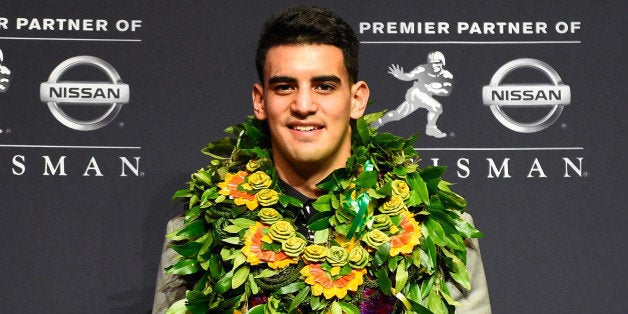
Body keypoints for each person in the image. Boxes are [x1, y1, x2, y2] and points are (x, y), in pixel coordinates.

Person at [153, 6, 490, 313]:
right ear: (260, 101)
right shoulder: (195, 235)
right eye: (284, 86)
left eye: (324, 86)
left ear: (357, 100)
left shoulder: (436, 229)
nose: (303, 105)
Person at [371, 51, 453, 138]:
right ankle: (431, 128)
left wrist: (432, 89)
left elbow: (446, 92)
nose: (433, 66)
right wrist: (401, 76)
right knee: (436, 107)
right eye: (431, 63)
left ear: (442, 63)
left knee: (397, 115)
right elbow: (409, 76)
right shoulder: (422, 69)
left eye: (436, 63)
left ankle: (378, 122)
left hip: (427, 96)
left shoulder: (447, 76)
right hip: (416, 93)